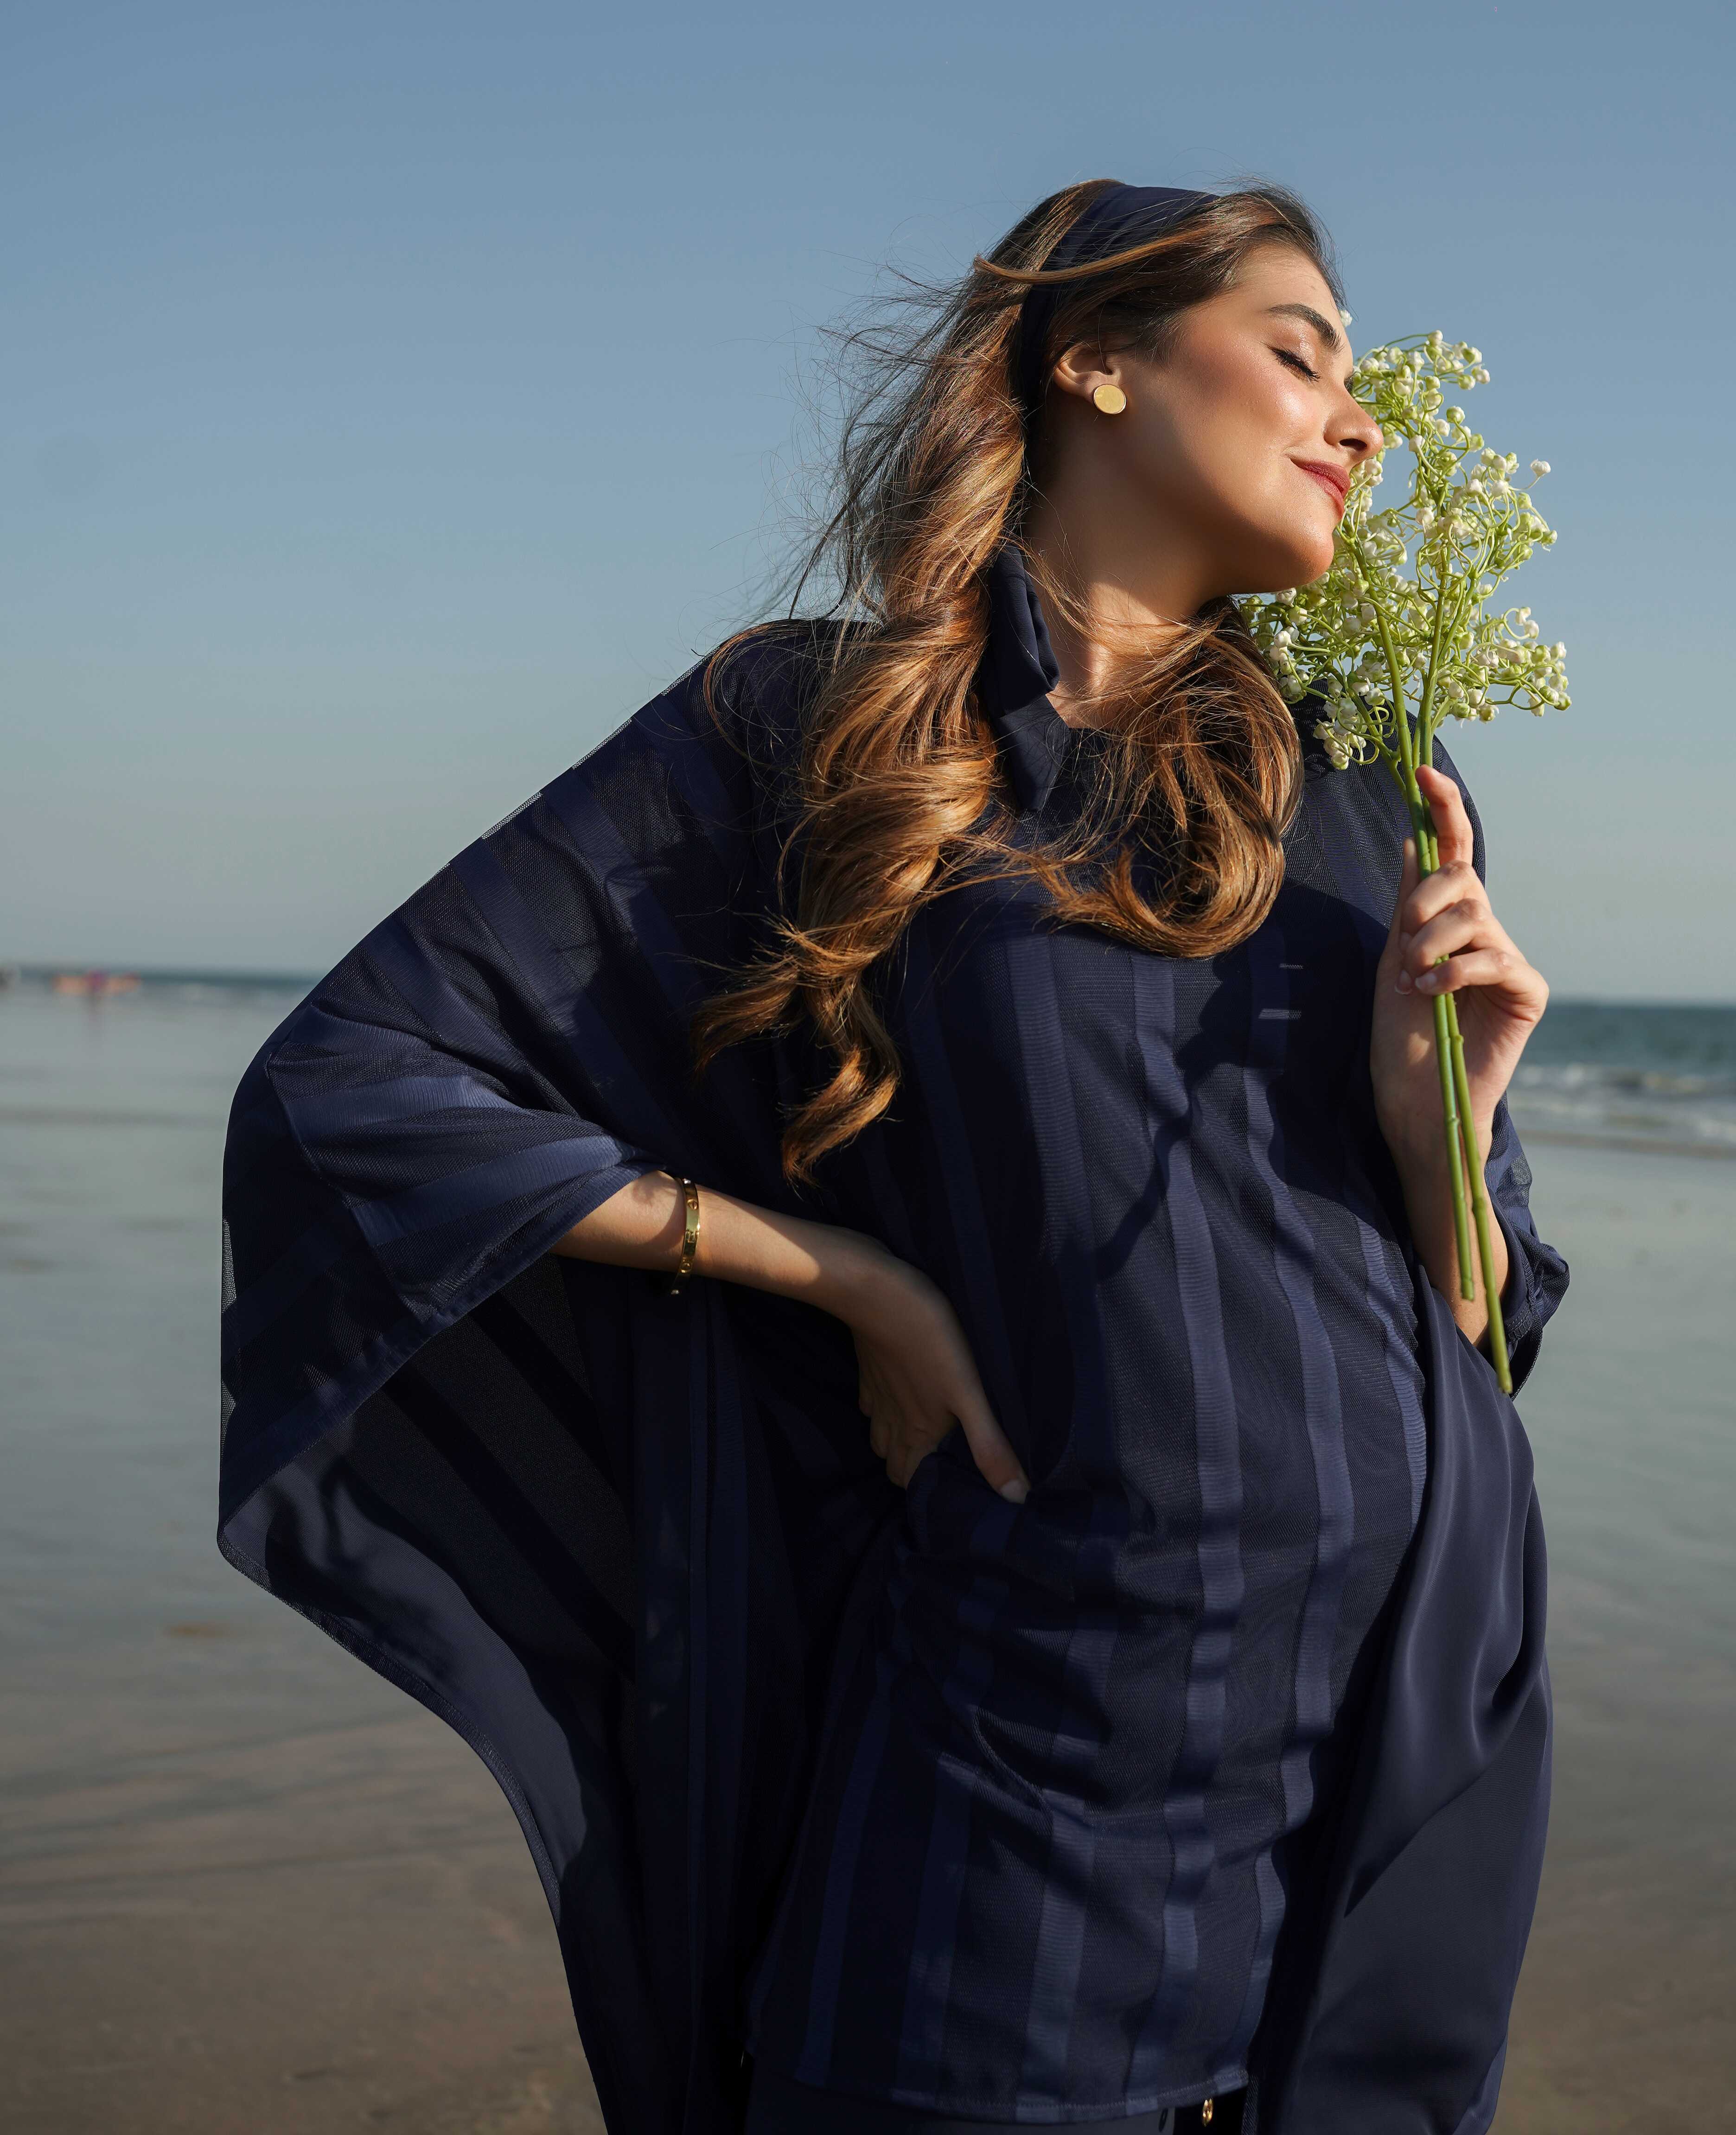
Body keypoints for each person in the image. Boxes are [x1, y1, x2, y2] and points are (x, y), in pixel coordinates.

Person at [219, 181, 1567, 2135]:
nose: (1361, 421)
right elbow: (358, 1077)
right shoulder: (815, 724)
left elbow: (1477, 1327)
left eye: (1365, 380)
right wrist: (840, 1273)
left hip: (1391, 1808)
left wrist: (1454, 1104)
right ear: (1090, 358)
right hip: (1023, 1824)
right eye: (1298, 353)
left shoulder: (1370, 778)